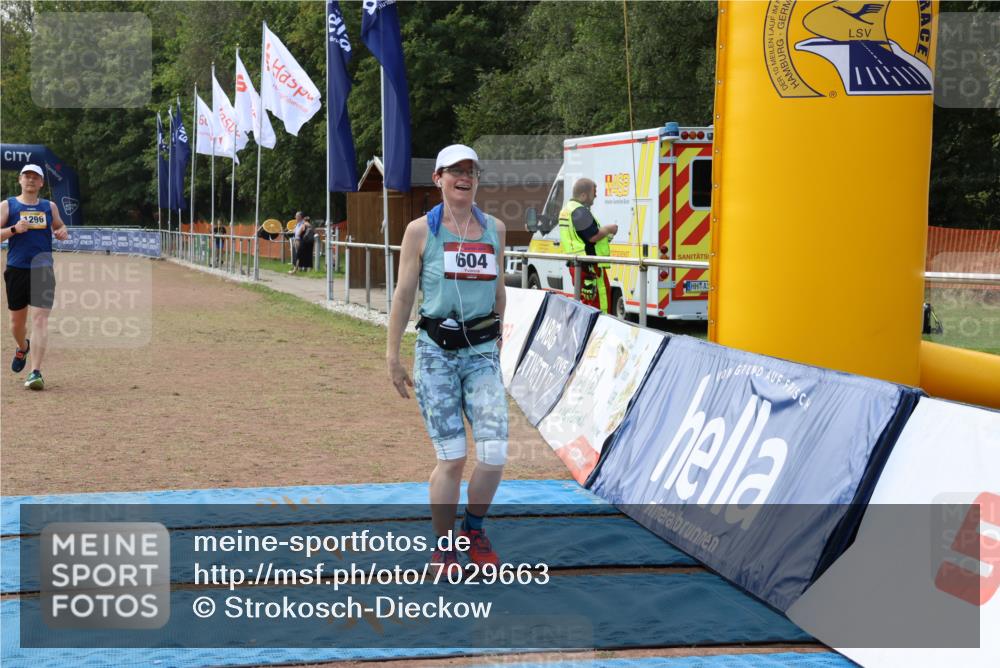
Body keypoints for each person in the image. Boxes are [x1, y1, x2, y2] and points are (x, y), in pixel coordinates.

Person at [387, 144, 507, 573]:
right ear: (437, 178)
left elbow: (498, 291)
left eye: (471, 170)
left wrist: (498, 342)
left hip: (481, 354)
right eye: (454, 170)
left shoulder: (495, 228)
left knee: (493, 453)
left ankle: (472, 529)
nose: (464, 176)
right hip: (436, 354)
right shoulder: (421, 231)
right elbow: (403, 294)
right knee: (453, 456)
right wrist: (392, 356)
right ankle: (443, 546)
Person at [1, 164, 70, 391]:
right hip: (16, 269)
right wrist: (13, 230)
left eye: (35, 177)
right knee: (16, 324)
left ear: (41, 183)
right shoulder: (7, 205)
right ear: (20, 180)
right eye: (27, 176)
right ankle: (23, 346)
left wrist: (62, 232)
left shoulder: (49, 206)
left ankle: (35, 372)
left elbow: (60, 227)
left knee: (40, 320)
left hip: (43, 269)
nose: (30, 180)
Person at [558, 178, 618, 313]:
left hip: (578, 264)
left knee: (586, 304)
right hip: (589, 266)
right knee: (599, 303)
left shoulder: (566, 210)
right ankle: (600, 330)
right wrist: (609, 229)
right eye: (593, 192)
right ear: (584, 195)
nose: (596, 195)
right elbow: (592, 236)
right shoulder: (580, 211)